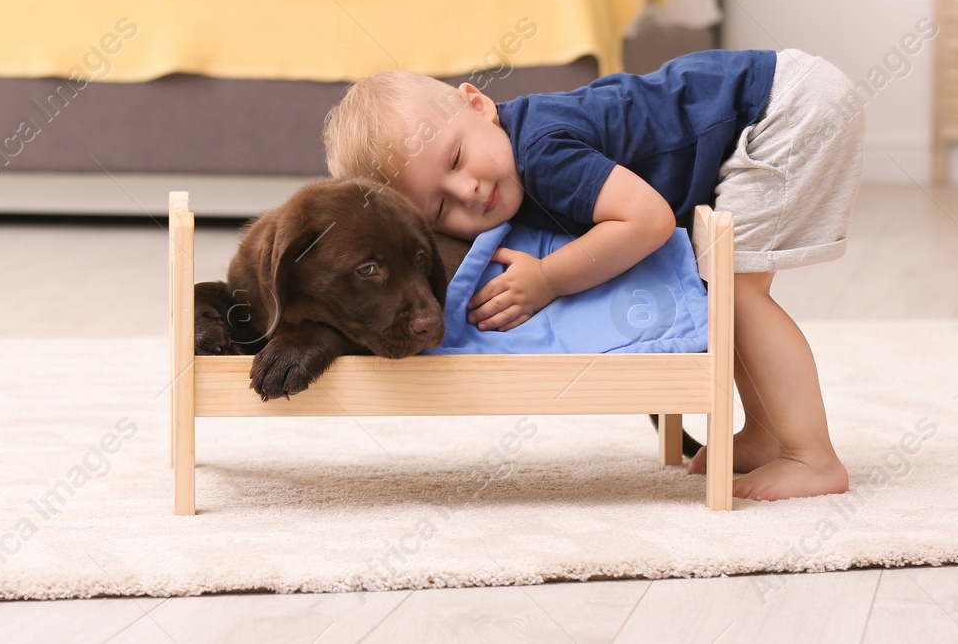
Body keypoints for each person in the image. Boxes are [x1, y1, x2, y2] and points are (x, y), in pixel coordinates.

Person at [322, 48, 866, 501]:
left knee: (738, 296)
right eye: (441, 208)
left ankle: (811, 455)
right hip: (776, 100)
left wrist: (549, 279)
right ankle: (769, 433)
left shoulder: (541, 151)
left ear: (479, 104)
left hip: (786, 110)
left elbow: (647, 220)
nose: (468, 190)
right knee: (727, 289)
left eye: (458, 157)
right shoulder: (507, 152)